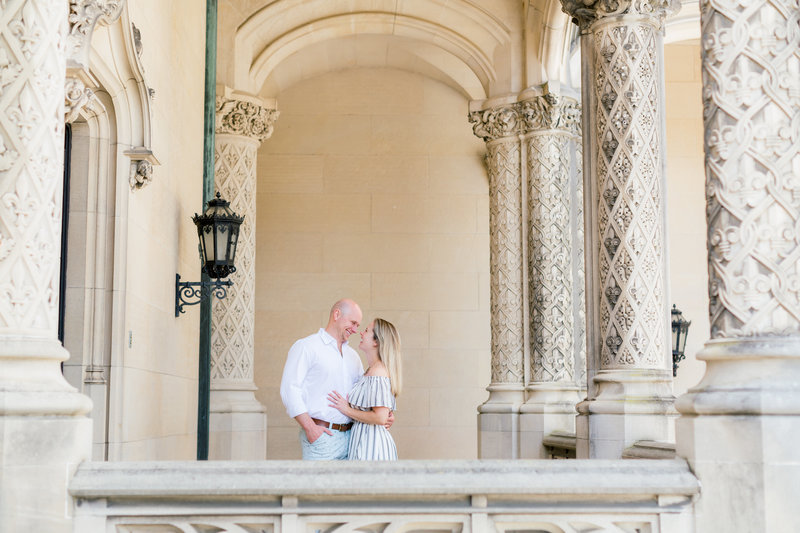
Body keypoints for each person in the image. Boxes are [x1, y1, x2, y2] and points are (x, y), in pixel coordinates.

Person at [280, 299, 364, 460]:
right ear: (337, 314)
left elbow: (363, 391)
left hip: (353, 437)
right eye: (353, 323)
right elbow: (289, 389)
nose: (354, 330)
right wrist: (310, 428)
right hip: (322, 437)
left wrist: (383, 413)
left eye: (358, 326)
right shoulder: (307, 346)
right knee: (317, 485)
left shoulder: (353, 356)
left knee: (349, 486)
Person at [328, 318, 402, 460]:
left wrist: (347, 409)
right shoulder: (371, 371)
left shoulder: (378, 373)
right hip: (364, 444)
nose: (361, 333)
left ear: (376, 342)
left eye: (367, 331)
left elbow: (380, 417)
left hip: (373, 449)